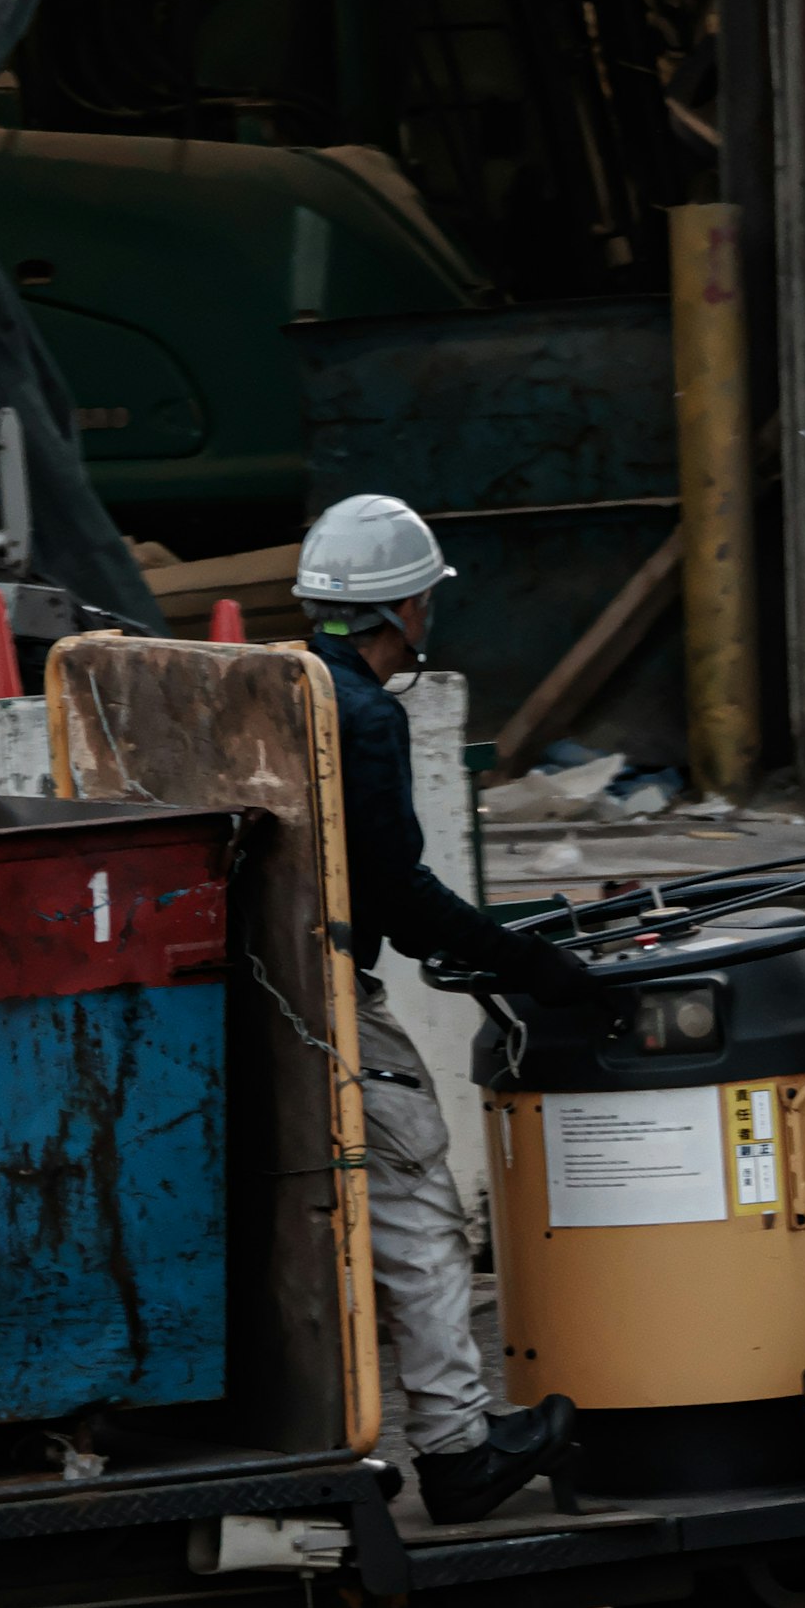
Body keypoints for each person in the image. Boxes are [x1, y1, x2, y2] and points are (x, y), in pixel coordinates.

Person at [296, 493, 618, 1525]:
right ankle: (459, 1448)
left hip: (265, 990)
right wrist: (526, 961)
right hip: (331, 994)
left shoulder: (279, 685)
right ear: (406, 609)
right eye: (426, 600)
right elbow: (399, 893)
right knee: (418, 1205)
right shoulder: (367, 713)